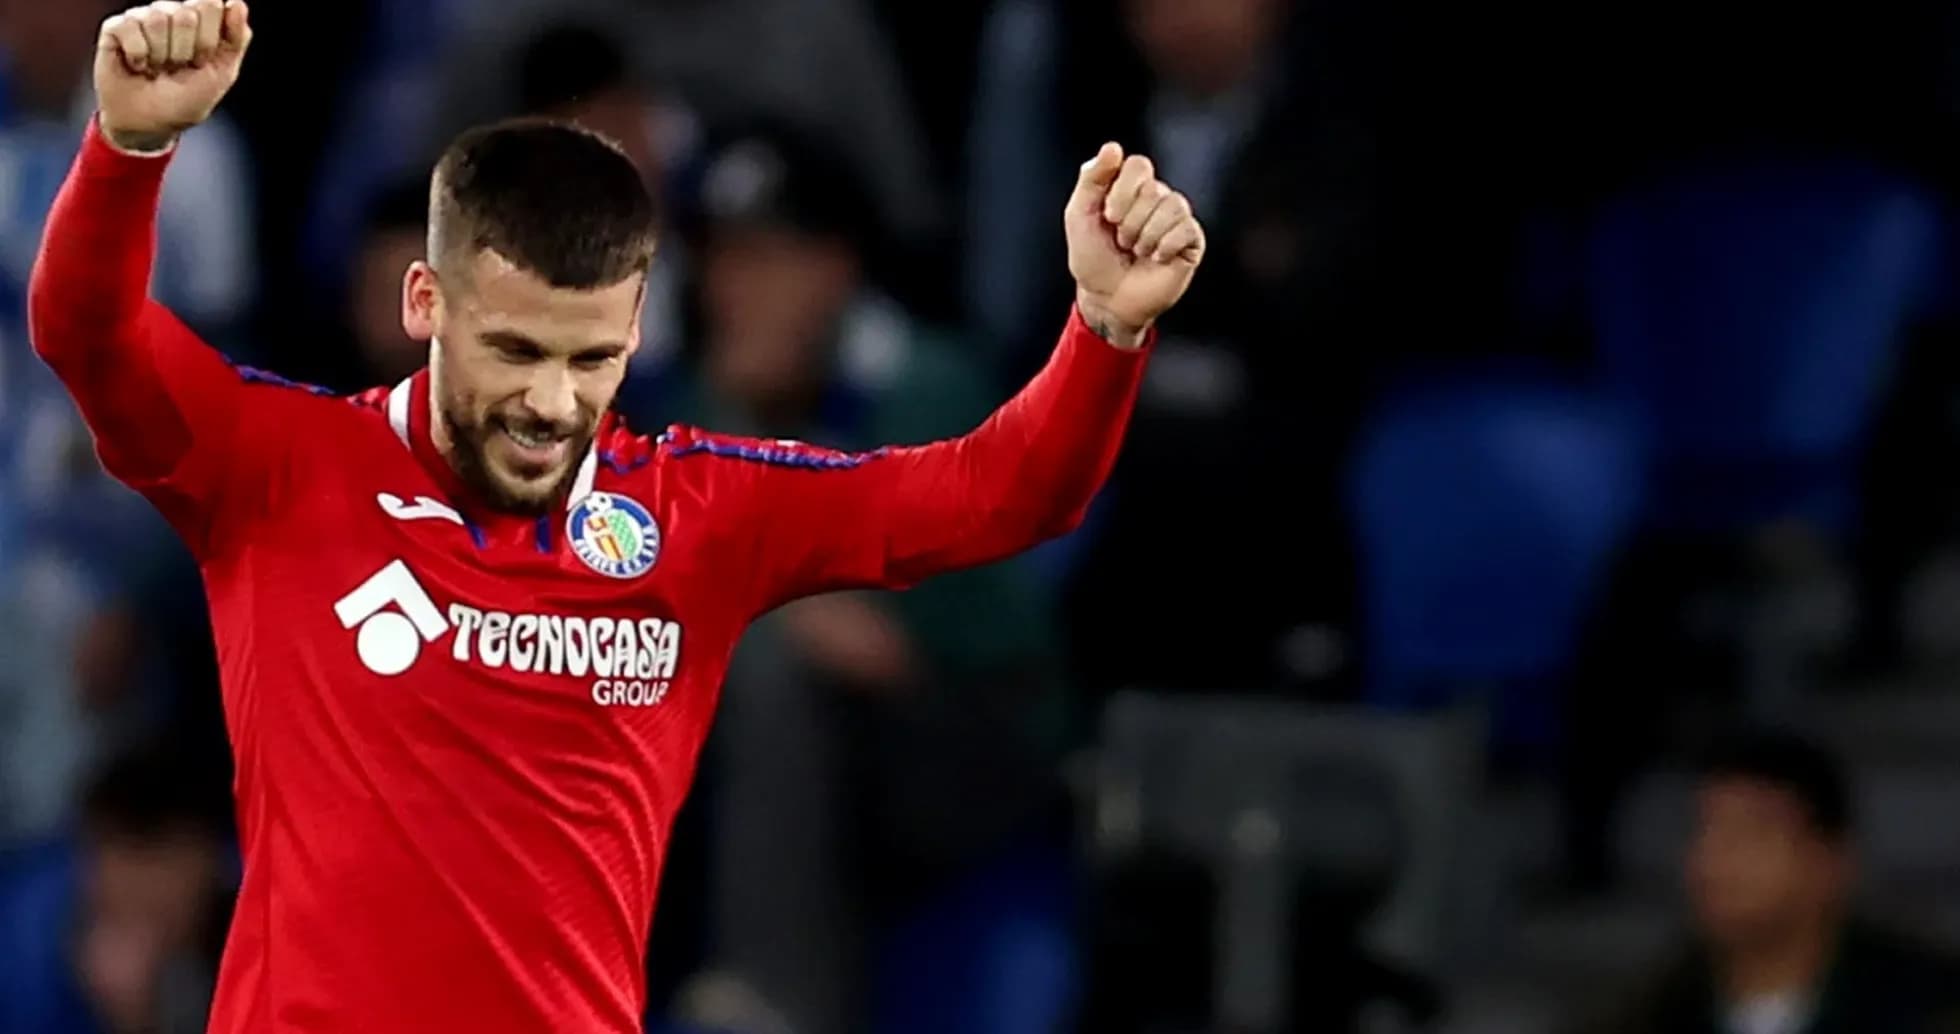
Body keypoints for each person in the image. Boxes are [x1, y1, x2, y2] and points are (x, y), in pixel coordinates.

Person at [28, 3, 1206, 1033]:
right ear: (426, 300)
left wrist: (1103, 333)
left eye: (592, 356)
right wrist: (127, 149)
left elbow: (1008, 490)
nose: (552, 404)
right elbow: (87, 331)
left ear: (639, 326)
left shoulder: (696, 506)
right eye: (515, 349)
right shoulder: (281, 464)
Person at [1568, 729, 1960, 1034]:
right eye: (1705, 831)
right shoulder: (1649, 1014)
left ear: (1830, 862)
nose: (1713, 860)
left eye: (1751, 835)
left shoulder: (1927, 1009)